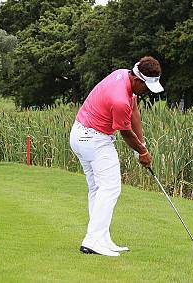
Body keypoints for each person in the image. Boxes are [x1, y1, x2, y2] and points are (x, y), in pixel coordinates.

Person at [69, 56, 163, 256]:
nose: (147, 92)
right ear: (138, 80)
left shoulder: (122, 74)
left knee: (97, 188)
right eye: (146, 88)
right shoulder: (120, 99)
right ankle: (93, 240)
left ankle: (101, 238)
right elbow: (125, 132)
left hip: (79, 134)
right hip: (95, 140)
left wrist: (142, 144)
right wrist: (143, 153)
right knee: (110, 188)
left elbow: (134, 111)